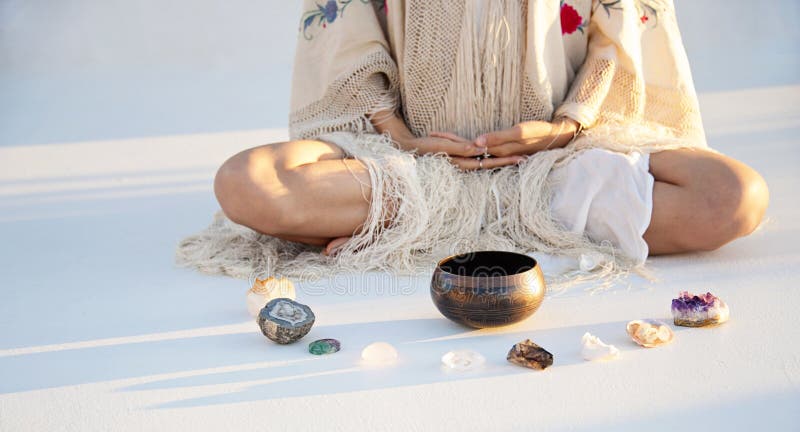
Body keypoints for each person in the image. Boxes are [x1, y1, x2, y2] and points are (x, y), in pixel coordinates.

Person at [180, 0, 769, 281]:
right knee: (246, 183)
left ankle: (435, 230)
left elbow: (618, 34)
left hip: (557, 166)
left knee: (734, 196)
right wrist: (401, 138)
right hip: (412, 166)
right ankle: (445, 218)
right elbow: (346, 29)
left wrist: (565, 126)